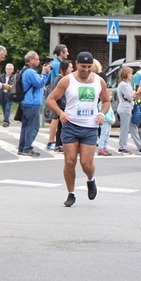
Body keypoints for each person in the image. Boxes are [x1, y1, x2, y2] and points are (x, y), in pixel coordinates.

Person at [46, 51, 111, 208]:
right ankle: (71, 194)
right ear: (76, 64)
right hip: (71, 125)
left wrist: (102, 113)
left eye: (89, 67)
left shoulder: (99, 81)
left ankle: (91, 180)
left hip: (90, 127)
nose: (86, 70)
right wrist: (61, 113)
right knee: (70, 161)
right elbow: (50, 99)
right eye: (83, 66)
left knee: (86, 164)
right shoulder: (67, 81)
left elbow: (106, 101)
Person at [18, 51, 51, 157]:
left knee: (26, 127)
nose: (39, 61)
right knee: (32, 127)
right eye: (37, 59)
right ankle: (27, 148)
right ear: (31, 60)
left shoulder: (24, 70)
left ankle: (22, 148)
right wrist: (45, 73)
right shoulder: (30, 72)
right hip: (31, 103)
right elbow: (40, 83)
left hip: (26, 102)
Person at [46, 44, 69, 150]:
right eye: (66, 51)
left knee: (57, 118)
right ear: (61, 53)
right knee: (55, 117)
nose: (68, 53)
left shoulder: (57, 63)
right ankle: (51, 141)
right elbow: (56, 79)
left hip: (55, 92)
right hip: (55, 93)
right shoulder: (56, 64)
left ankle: (55, 141)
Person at [50, 60, 74, 153]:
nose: (72, 69)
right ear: (64, 68)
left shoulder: (65, 78)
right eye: (70, 67)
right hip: (60, 105)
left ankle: (59, 144)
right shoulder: (59, 79)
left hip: (63, 105)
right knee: (61, 126)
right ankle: (58, 144)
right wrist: (62, 103)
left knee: (62, 125)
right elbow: (55, 94)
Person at [116, 66, 138, 154]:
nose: (131, 75)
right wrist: (132, 95)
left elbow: (131, 95)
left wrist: (132, 95)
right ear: (125, 74)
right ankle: (122, 146)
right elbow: (130, 96)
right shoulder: (123, 85)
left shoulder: (128, 84)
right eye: (130, 73)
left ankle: (140, 146)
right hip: (124, 108)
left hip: (129, 107)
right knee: (124, 128)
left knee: (133, 127)